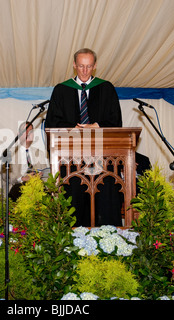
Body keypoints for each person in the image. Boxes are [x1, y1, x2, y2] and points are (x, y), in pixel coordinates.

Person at [45, 48, 123, 227]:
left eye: (89, 66)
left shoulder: (106, 88)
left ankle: (106, 235)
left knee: (104, 196)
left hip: (102, 156)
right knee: (74, 198)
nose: (85, 71)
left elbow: (116, 121)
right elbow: (51, 123)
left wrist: (97, 125)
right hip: (71, 159)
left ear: (94, 66)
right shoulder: (61, 90)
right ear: (74, 65)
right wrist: (72, 129)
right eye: (81, 66)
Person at [5, 122, 49, 201]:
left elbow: (46, 175)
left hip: (37, 187)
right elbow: (6, 177)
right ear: (19, 134)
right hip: (18, 188)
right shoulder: (10, 154)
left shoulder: (39, 153)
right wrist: (22, 178)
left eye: (31, 131)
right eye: (26, 130)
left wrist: (41, 176)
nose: (29, 133)